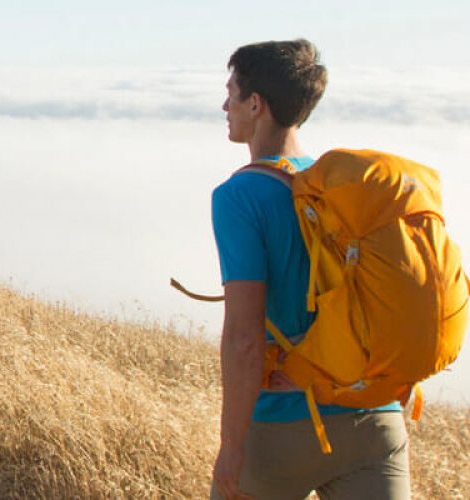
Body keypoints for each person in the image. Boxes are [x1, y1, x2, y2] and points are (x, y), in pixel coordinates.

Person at [210, 40, 408, 499]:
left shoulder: (239, 197)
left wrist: (231, 447)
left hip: (286, 423)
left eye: (232, 92)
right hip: (376, 421)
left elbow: (244, 339)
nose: (225, 104)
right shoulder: (347, 190)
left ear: (255, 105)